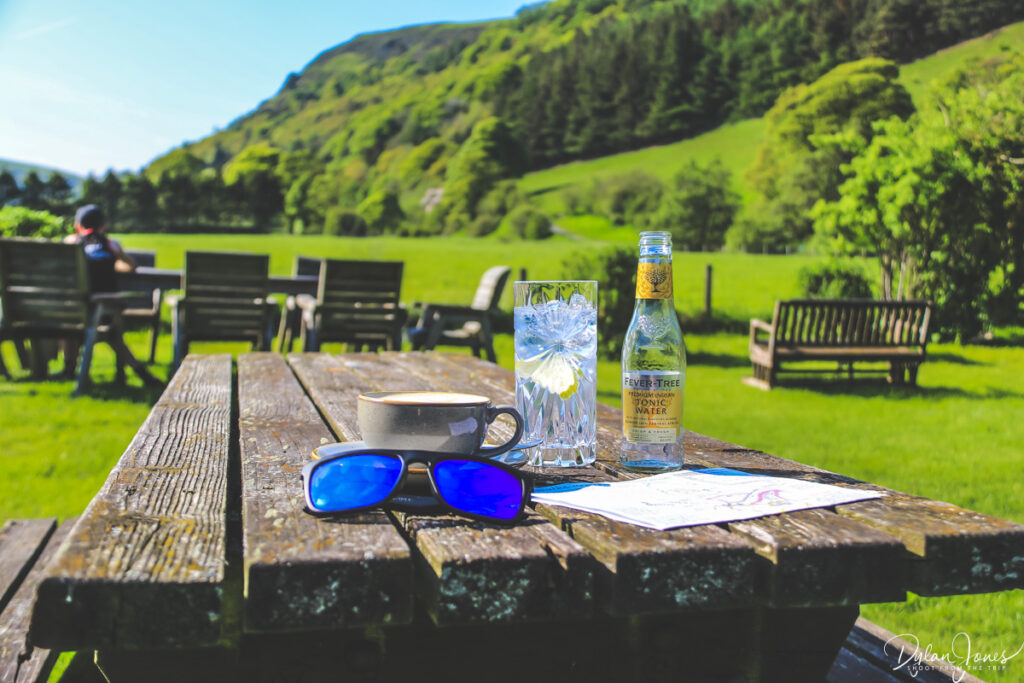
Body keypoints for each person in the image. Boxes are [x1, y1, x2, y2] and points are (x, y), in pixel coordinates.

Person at [64, 204, 137, 291]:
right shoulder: (111, 244)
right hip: (105, 298)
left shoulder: (71, 242)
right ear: (103, 225)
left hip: (76, 298)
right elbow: (131, 266)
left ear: (77, 226)